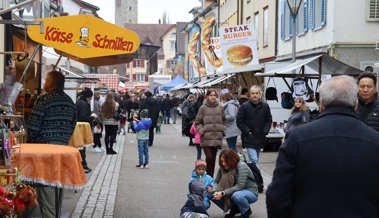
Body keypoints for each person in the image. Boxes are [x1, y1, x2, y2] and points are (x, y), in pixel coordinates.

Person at [266, 75, 379, 218]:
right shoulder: (375, 141)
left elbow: (277, 195)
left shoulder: (297, 138)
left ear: (321, 104)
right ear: (355, 104)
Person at [27, 70, 77, 218]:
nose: (44, 83)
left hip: (44, 151)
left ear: (50, 83)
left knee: (46, 186)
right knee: (58, 185)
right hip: (62, 150)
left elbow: (33, 127)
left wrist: (31, 143)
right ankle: (56, 213)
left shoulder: (44, 100)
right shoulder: (69, 101)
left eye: (45, 80)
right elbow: (72, 126)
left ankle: (50, 215)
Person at [212, 148, 258, 218]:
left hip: (250, 192)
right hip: (232, 191)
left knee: (237, 196)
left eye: (226, 161)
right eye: (222, 161)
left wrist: (223, 193)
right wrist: (215, 191)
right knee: (209, 193)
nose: (223, 164)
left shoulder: (241, 165)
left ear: (232, 159)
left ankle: (246, 211)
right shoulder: (223, 167)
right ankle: (235, 207)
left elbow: (240, 186)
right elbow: (216, 182)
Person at [236, 85, 272, 168]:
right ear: (250, 94)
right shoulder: (244, 106)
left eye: (256, 93)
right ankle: (256, 179)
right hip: (249, 137)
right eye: (253, 93)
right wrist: (248, 131)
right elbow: (239, 121)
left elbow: (268, 119)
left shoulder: (265, 106)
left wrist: (265, 131)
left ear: (260, 94)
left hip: (260, 136)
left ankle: (251, 175)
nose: (255, 95)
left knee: (255, 159)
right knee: (254, 159)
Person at [194, 89, 226, 178]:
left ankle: (209, 178)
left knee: (213, 159)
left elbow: (224, 120)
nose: (212, 97)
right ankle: (206, 175)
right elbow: (197, 122)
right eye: (211, 95)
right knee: (209, 157)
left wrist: (223, 130)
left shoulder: (220, 108)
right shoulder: (203, 108)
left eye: (214, 95)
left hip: (216, 138)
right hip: (206, 138)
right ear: (207, 96)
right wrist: (202, 131)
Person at [76, 88, 97, 173]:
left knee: (80, 148)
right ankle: (82, 166)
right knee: (81, 148)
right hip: (81, 128)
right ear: (89, 97)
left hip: (78, 128)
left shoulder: (79, 102)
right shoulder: (84, 104)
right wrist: (93, 117)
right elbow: (83, 117)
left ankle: (83, 165)